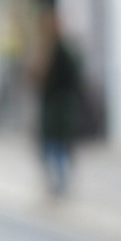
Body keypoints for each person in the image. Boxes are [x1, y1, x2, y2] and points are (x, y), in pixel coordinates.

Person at [31, 10, 83, 196]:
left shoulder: (60, 50)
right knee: (50, 148)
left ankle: (60, 183)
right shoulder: (46, 49)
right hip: (51, 108)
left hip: (59, 107)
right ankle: (57, 183)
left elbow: (74, 76)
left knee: (57, 147)